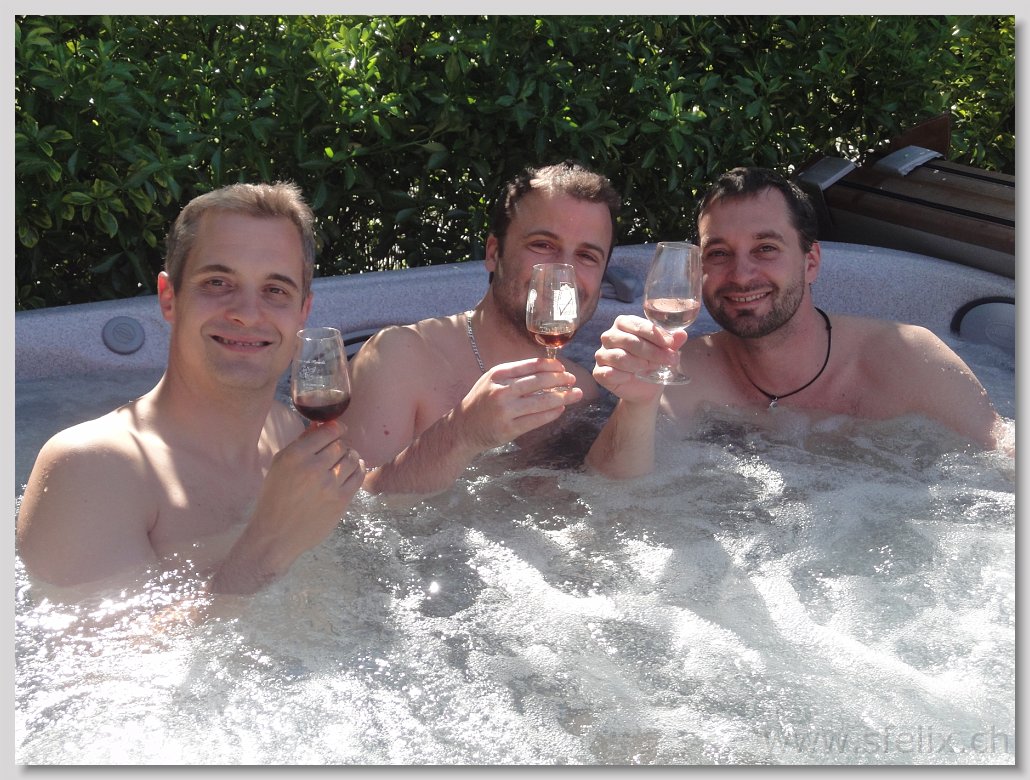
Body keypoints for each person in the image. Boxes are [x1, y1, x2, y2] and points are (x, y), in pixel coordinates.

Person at [16, 182, 366, 595]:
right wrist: (270, 543)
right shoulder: (91, 471)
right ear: (169, 298)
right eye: (218, 282)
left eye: (275, 290)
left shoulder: (287, 434)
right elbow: (104, 641)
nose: (247, 314)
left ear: (303, 311)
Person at [586, 166, 1003, 479]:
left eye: (765, 248)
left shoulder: (908, 359)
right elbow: (610, 497)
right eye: (719, 253)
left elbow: (1005, 459)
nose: (741, 275)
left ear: (811, 262)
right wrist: (637, 403)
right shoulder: (687, 372)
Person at [342, 160, 621, 495]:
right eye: (543, 245)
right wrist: (461, 432)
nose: (563, 273)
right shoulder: (396, 358)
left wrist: (640, 404)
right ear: (493, 253)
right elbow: (347, 511)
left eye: (587, 256)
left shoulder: (582, 389)